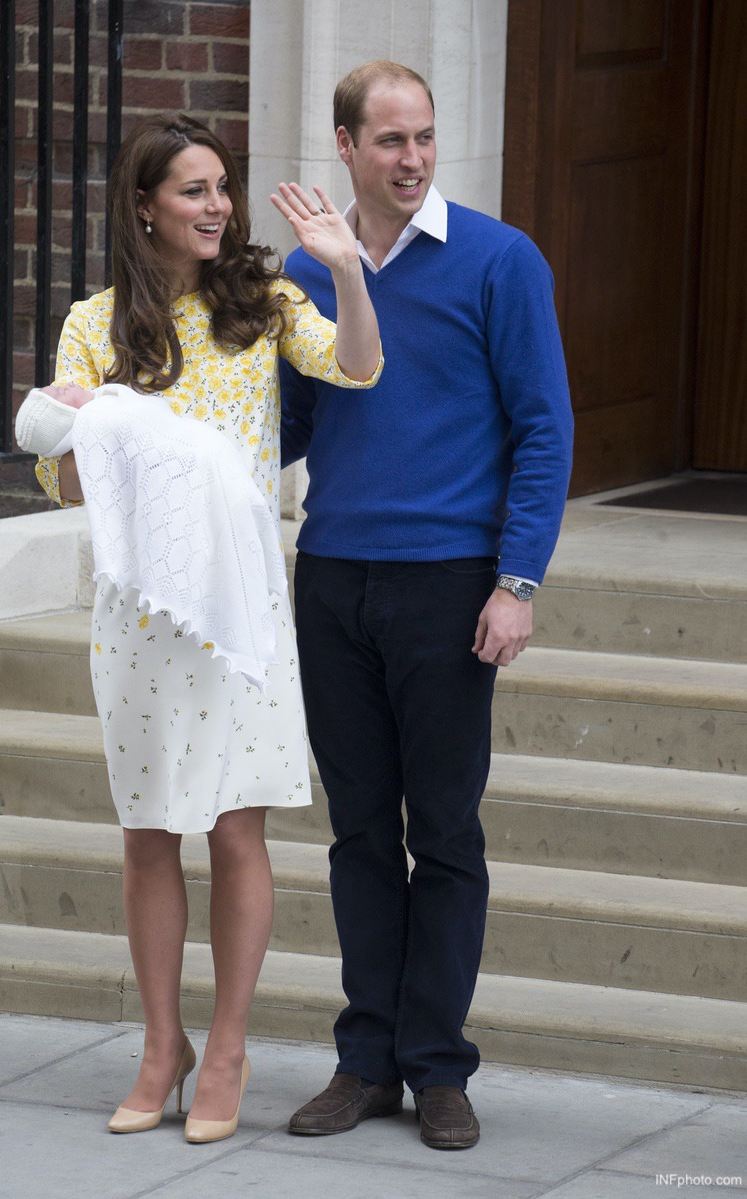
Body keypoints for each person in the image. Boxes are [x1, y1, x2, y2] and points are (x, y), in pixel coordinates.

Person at [28, 114, 382, 1144]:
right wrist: (76, 419)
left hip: (241, 607)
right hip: (140, 613)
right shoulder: (94, 323)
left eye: (222, 187)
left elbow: (357, 367)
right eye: (194, 190)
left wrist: (347, 270)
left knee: (236, 826)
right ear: (145, 206)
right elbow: (65, 479)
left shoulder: (264, 304)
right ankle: (159, 1044)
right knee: (148, 830)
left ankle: (227, 1047)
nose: (219, 205)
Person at [280, 61, 574, 1149]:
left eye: (425, 139)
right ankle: (367, 1060)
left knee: (442, 831)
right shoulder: (314, 273)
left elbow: (544, 426)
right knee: (359, 829)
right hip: (336, 575)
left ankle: (439, 1064)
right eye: (389, 141)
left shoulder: (500, 260)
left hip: (452, 581)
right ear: (347, 147)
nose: (411, 160)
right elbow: (289, 424)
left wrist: (517, 579)